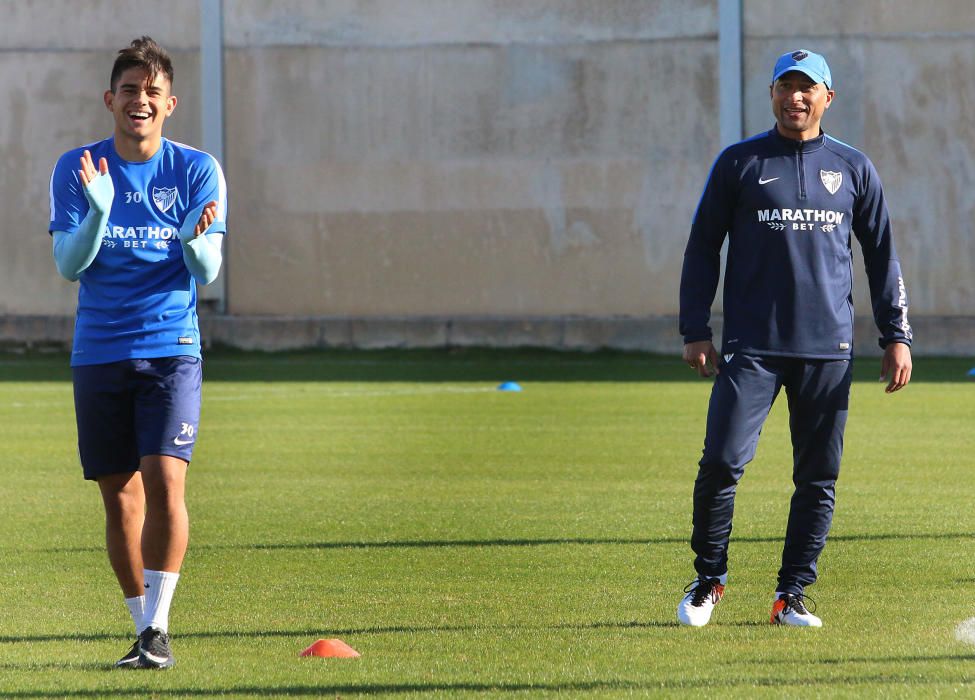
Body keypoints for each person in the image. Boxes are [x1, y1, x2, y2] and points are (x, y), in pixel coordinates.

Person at [676, 49, 912, 628]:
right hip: (752, 347)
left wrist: (896, 335)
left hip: (827, 349)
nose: (795, 97)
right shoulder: (739, 162)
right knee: (722, 463)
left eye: (808, 88)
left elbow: (881, 253)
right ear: (773, 93)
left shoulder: (854, 167)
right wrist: (695, 329)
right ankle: (709, 581)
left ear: (828, 98)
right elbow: (703, 245)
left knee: (817, 478)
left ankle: (791, 596)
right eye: (786, 86)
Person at [48, 36, 228, 668]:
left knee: (164, 479)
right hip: (98, 351)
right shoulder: (78, 168)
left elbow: (207, 269)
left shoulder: (198, 169)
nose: (140, 101)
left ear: (170, 103)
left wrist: (194, 242)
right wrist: (97, 213)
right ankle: (142, 628)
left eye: (152, 92)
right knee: (119, 497)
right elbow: (70, 264)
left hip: (171, 347)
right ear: (111, 99)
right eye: (130, 90)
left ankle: (157, 629)